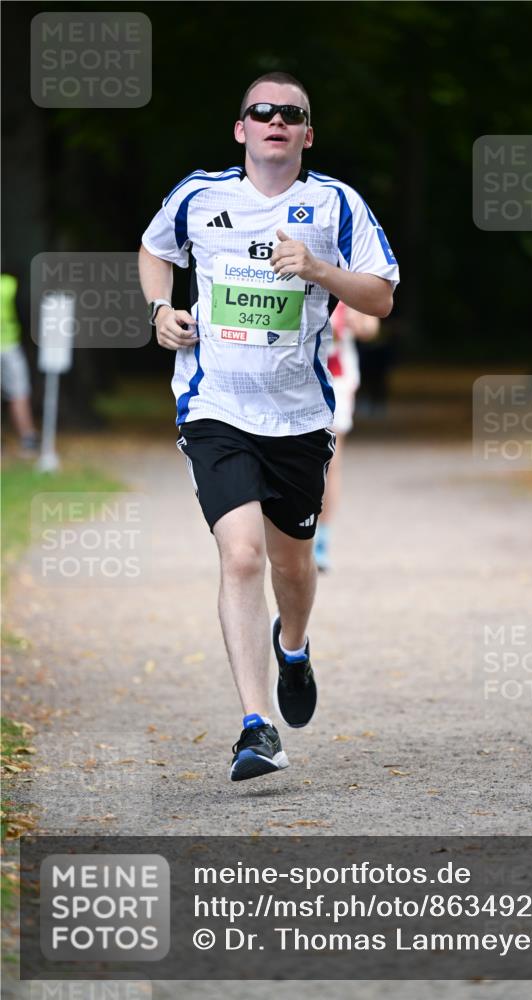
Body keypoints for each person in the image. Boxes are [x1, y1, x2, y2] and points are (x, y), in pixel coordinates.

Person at [138, 71, 399, 782]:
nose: (275, 120)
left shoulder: (335, 203)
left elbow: (380, 292)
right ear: (241, 128)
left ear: (306, 133)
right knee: (243, 556)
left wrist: (317, 268)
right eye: (262, 111)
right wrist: (160, 311)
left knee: (291, 564)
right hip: (214, 405)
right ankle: (256, 728)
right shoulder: (199, 195)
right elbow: (155, 249)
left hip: (299, 417)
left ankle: (294, 646)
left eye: (291, 114)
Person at [314, 302, 379, 571]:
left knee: (330, 460)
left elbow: (371, 325)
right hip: (290, 375)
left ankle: (321, 540)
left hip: (336, 377)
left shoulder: (347, 268)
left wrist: (358, 323)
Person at [1, 273, 39, 457]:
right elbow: (25, 315)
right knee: (19, 393)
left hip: (10, 346)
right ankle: (28, 438)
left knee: (19, 393)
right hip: (10, 346)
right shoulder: (10, 284)